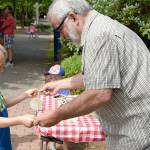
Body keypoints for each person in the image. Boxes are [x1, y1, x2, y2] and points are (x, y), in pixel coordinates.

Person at [34, 0, 150, 150]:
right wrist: (59, 84)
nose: (61, 36)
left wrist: (56, 115)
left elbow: (100, 93)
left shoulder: (98, 35)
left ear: (73, 17)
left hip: (139, 133)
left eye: (59, 29)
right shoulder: (99, 27)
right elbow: (99, 77)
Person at [0, 44, 37, 150]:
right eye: (0, 66)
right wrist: (20, 120)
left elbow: (2, 103)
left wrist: (24, 95)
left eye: (3, 66)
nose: (2, 71)